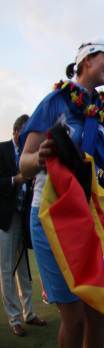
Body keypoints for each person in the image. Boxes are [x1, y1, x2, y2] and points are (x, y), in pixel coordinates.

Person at [20, 39, 104, 348]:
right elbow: (26, 161)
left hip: (88, 217)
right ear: (85, 61)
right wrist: (42, 156)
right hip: (50, 215)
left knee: (98, 310)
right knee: (74, 315)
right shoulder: (53, 103)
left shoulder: (101, 113)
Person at [1, 114, 47, 336]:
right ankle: (14, 318)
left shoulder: (32, 153)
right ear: (17, 132)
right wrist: (17, 179)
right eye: (27, 133)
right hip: (6, 219)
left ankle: (29, 313)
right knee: (7, 268)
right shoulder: (2, 150)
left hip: (25, 216)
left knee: (24, 268)